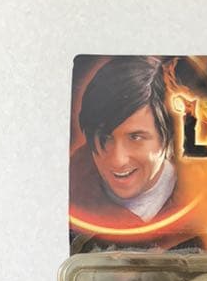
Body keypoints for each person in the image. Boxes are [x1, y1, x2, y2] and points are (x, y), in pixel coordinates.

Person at [70, 56, 176, 227]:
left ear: (166, 137)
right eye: (105, 137)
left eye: (135, 137)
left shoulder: (204, 200)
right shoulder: (72, 187)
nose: (118, 160)